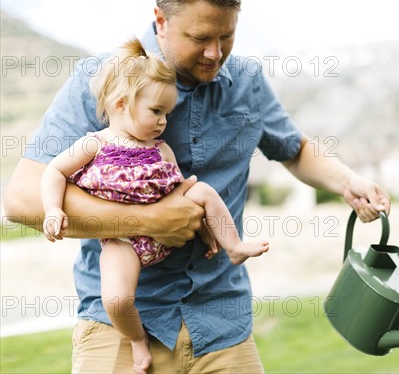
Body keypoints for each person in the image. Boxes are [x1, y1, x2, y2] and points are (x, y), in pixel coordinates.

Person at [3, 0, 391, 372]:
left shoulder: (248, 83)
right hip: (121, 329)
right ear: (161, 19)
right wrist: (149, 220)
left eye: (227, 37)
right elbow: (22, 199)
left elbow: (295, 149)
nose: (214, 53)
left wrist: (348, 181)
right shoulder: (103, 79)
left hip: (223, 327)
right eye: (200, 37)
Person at [40, 38, 269, 374]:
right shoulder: (95, 144)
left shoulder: (161, 148)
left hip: (165, 232)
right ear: (121, 104)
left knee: (202, 190)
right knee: (117, 299)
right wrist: (53, 210)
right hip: (123, 242)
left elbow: (179, 192)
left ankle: (232, 245)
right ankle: (136, 341)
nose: (164, 121)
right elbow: (53, 172)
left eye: (167, 113)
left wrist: (206, 232)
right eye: (156, 112)